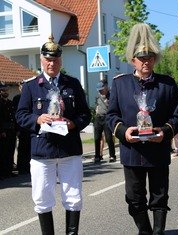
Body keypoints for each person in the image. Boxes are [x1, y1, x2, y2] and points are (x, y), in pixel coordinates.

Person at [106, 23, 178, 235]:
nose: (145, 62)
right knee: (134, 197)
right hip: (132, 152)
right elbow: (111, 116)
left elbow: (176, 116)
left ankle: (158, 232)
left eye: (149, 57)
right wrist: (123, 132)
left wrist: (164, 133)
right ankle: (145, 231)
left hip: (157, 150)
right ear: (133, 60)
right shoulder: (120, 84)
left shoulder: (167, 84)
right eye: (141, 58)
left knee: (159, 196)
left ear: (155, 59)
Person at [15, 35, 91, 235]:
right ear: (42, 60)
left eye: (55, 59)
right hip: (42, 150)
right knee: (42, 197)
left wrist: (73, 123)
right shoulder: (32, 86)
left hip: (69, 149)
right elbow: (21, 115)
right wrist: (38, 120)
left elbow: (85, 113)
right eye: (48, 59)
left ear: (61, 60)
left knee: (73, 197)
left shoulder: (72, 84)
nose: (52, 63)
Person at [93, 80, 116, 163]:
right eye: (99, 90)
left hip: (107, 118)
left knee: (109, 138)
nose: (100, 91)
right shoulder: (97, 96)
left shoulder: (111, 95)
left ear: (106, 87)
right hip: (98, 118)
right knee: (96, 138)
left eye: (102, 89)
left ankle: (112, 155)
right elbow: (97, 105)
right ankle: (97, 156)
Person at [13, 81, 31, 175]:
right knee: (22, 148)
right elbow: (17, 115)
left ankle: (28, 167)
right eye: (21, 86)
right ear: (19, 88)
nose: (22, 88)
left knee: (28, 148)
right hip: (21, 127)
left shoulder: (30, 96)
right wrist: (17, 129)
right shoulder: (17, 98)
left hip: (29, 127)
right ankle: (21, 167)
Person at [0, 82, 17, 179]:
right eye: (3, 90)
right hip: (3, 131)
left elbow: (13, 118)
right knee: (3, 152)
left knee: (10, 151)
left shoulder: (10, 103)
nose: (5, 92)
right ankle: (2, 172)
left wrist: (16, 129)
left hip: (11, 130)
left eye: (6, 90)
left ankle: (9, 170)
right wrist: (1, 131)